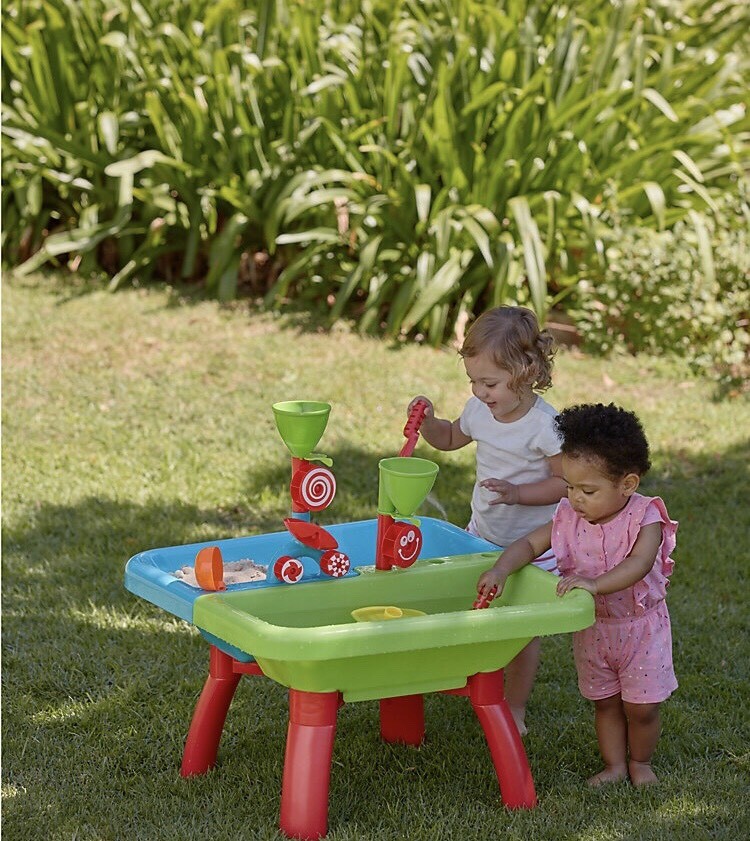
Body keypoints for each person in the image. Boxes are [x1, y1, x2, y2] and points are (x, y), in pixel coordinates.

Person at [477, 403, 678, 786]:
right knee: (604, 702)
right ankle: (615, 765)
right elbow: (529, 544)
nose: (575, 498)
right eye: (569, 486)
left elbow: (638, 563)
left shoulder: (645, 517)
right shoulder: (568, 516)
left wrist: (595, 584)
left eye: (587, 490)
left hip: (640, 629)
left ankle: (641, 763)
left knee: (642, 706)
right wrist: (502, 568)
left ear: (627, 485)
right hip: (594, 629)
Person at [408, 306, 567, 735]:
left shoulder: (545, 426)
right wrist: (428, 423)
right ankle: (471, 678)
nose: (480, 391)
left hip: (535, 542)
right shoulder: (479, 410)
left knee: (522, 632)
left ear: (527, 372)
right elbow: (449, 438)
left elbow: (566, 483)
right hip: (484, 532)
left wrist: (519, 494)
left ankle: (514, 706)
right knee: (472, 602)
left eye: (490, 383)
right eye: (473, 381)